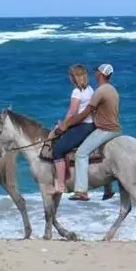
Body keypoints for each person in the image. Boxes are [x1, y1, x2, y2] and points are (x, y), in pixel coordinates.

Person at [59, 63, 121, 201]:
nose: (95, 74)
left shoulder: (100, 91)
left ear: (101, 74)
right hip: (115, 128)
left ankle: (81, 191)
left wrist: (64, 125)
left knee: (81, 153)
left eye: (96, 72)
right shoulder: (110, 89)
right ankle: (108, 189)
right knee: (104, 153)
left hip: (105, 129)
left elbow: (83, 114)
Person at [49, 65, 96, 194]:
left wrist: (62, 126)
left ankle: (61, 184)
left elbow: (72, 112)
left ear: (74, 77)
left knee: (57, 150)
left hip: (82, 126)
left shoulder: (77, 92)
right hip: (91, 125)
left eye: (71, 76)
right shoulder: (90, 89)